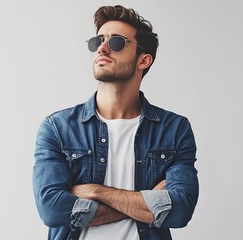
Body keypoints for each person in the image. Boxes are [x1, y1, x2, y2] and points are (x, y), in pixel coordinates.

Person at [32, 4, 198, 240]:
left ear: (143, 60)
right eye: (98, 41)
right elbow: (51, 209)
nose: (102, 48)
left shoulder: (174, 129)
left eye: (117, 42)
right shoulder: (57, 128)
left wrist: (95, 191)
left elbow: (180, 210)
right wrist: (147, 203)